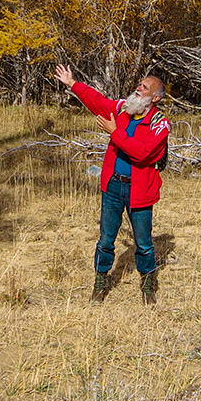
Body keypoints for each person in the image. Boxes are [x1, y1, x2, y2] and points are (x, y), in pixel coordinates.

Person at [52, 64, 170, 304]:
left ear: (155, 97)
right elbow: (97, 101)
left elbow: (143, 153)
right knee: (106, 240)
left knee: (144, 243)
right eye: (139, 84)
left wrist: (114, 132)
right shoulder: (123, 109)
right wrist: (72, 83)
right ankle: (100, 282)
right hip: (113, 187)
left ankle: (148, 286)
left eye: (145, 87)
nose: (139, 88)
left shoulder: (160, 124)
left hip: (140, 190)